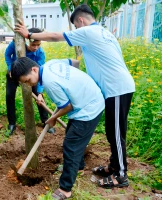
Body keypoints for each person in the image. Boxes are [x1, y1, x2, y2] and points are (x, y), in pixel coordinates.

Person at [15, 4, 135, 189]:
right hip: (112, 88)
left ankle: (120, 175)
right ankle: (114, 166)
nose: (77, 32)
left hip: (116, 88)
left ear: (80, 20)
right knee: (112, 132)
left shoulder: (88, 31)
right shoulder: (103, 33)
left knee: (117, 134)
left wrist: (29, 35)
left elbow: (56, 36)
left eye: (77, 28)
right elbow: (75, 65)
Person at [11, 57, 105, 199]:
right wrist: (74, 84)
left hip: (88, 108)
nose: (29, 84)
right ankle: (78, 167)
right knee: (71, 134)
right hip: (90, 97)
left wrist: (53, 118)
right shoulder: (51, 64)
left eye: (27, 81)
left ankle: (65, 189)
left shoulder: (49, 83)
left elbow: (67, 106)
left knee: (71, 145)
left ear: (34, 69)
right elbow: (74, 62)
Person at [5, 27, 54, 135]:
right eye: (33, 45)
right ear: (27, 42)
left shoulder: (40, 54)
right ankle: (11, 123)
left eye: (38, 45)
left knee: (39, 96)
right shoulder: (16, 44)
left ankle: (45, 121)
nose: (36, 47)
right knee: (9, 95)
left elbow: (40, 75)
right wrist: (9, 68)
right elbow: (7, 55)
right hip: (13, 73)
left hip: (31, 77)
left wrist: (40, 92)